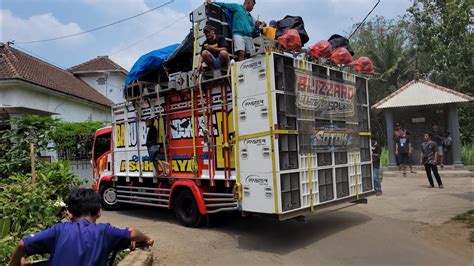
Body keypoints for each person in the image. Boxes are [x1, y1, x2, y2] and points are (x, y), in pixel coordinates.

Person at [9, 188, 154, 266]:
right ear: (99, 212)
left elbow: (23, 243)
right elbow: (133, 233)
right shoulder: (105, 232)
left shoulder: (59, 230)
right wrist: (146, 239)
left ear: (70, 214)